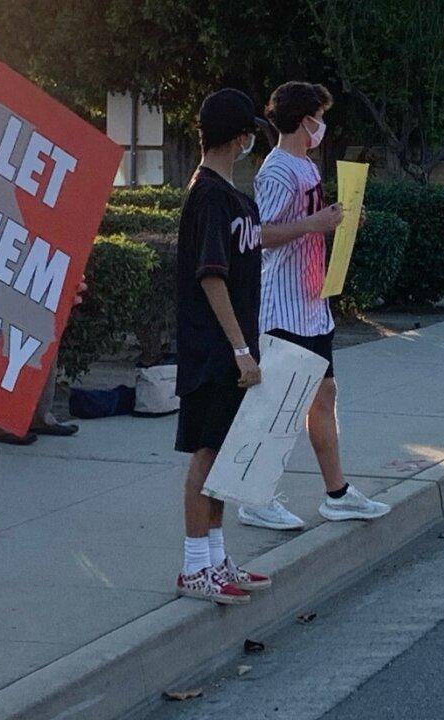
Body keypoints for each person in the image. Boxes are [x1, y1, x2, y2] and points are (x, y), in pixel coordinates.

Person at [237, 81, 389, 531]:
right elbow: (260, 236)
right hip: (283, 307)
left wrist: (338, 221)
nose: (323, 125)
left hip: (310, 305)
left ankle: (337, 493)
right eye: (320, 116)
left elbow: (305, 226)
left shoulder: (305, 167)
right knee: (279, 402)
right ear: (305, 120)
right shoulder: (278, 170)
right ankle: (254, 496)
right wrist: (315, 223)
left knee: (323, 396)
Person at [175, 88, 273, 604]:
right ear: (239, 138)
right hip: (212, 352)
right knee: (208, 455)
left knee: (226, 459)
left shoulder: (238, 198)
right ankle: (194, 566)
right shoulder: (208, 194)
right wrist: (239, 350)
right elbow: (211, 276)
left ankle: (215, 558)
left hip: (237, 348)